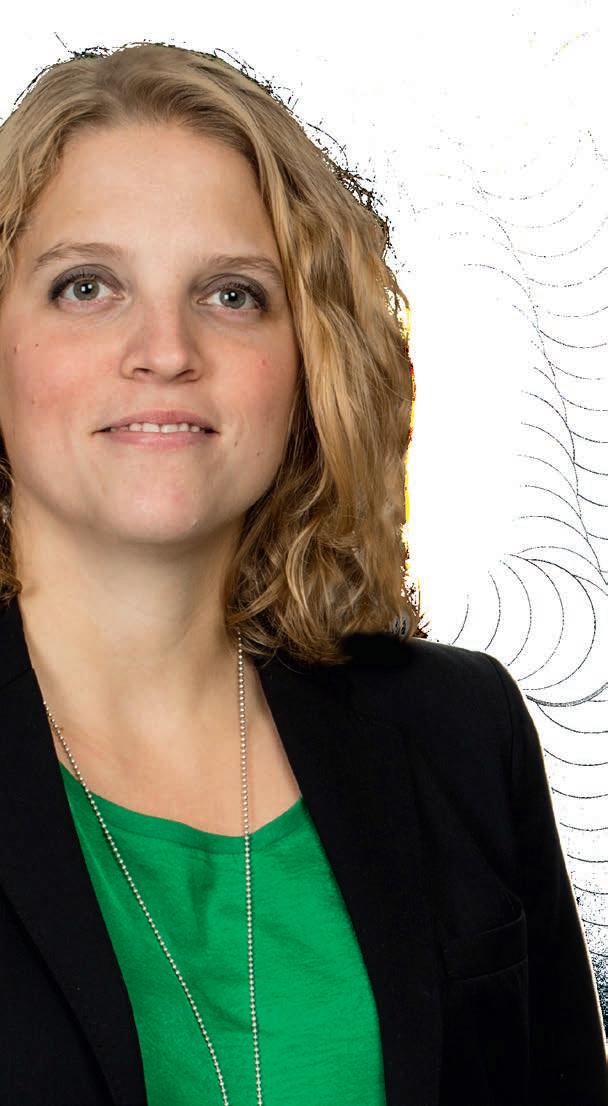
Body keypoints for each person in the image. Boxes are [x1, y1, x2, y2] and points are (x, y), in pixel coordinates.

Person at [0, 40, 605, 1106]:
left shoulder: (458, 733)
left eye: (232, 294)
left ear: (312, 354)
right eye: (85, 286)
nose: (164, 349)